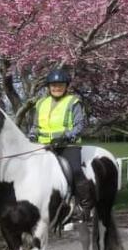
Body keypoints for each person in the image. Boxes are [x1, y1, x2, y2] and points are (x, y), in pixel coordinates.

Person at [28, 68, 93, 222]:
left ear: (66, 86)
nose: (57, 88)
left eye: (60, 85)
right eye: (54, 85)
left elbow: (79, 126)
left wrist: (65, 136)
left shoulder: (73, 102)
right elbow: (36, 126)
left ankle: (85, 206)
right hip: (44, 146)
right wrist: (31, 135)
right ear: (48, 87)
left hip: (67, 146)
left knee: (75, 170)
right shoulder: (41, 103)